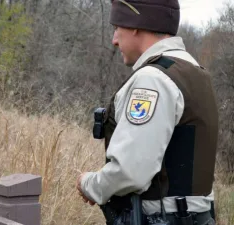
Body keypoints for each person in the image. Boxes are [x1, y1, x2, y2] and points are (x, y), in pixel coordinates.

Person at [76, 0, 218, 224]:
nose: (114, 40)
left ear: (134, 26)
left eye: (117, 28)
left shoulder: (153, 79)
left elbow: (130, 171)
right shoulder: (197, 73)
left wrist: (90, 184)